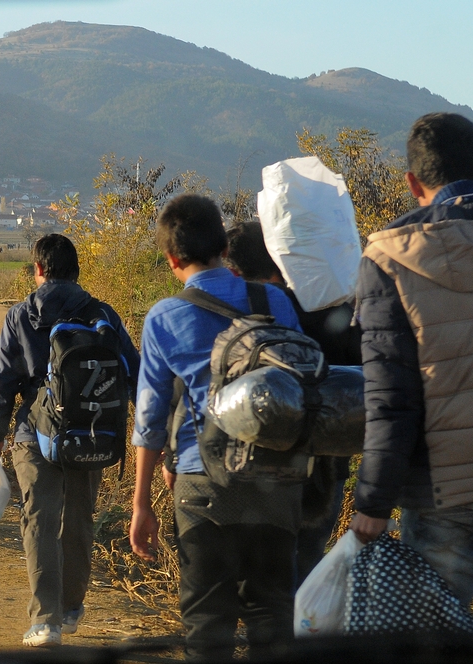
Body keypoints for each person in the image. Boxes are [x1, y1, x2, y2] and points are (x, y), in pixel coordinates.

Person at [129, 195, 303, 660]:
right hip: (277, 480)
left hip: (202, 485)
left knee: (207, 626)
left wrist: (141, 501)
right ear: (224, 246)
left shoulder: (165, 317)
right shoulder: (277, 302)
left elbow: (149, 419)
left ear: (171, 259)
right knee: (272, 618)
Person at [0, 234, 139, 647]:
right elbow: (133, 372)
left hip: (35, 433)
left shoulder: (20, 316)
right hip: (92, 433)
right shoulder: (102, 313)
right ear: (77, 271)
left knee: (40, 520)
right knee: (79, 519)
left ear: (38, 269)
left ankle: (44, 621)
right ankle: (70, 608)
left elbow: (1, 383)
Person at [349, 113, 473, 608]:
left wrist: (373, 501)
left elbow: (391, 397)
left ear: (411, 182)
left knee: (429, 641)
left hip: (442, 492)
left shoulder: (391, 256)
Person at [224, 220, 361, 583]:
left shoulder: (242, 315)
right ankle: (297, 631)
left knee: (261, 564)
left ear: (234, 270)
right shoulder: (332, 304)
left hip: (261, 464)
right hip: (327, 464)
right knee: (307, 556)